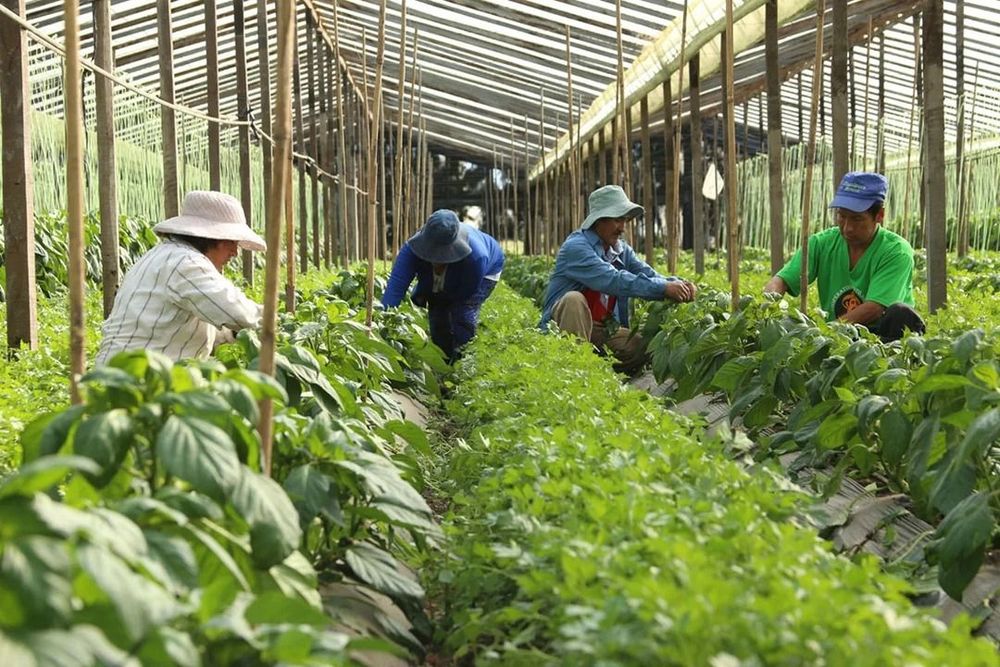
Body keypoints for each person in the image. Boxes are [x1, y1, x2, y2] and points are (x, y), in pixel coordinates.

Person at [539, 184, 697, 374]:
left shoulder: (620, 250)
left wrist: (679, 283)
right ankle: (573, 371)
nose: (622, 227)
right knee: (574, 299)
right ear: (598, 220)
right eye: (616, 219)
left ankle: (599, 371)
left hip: (600, 328)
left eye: (624, 220)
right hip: (564, 327)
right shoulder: (576, 247)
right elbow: (614, 280)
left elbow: (650, 275)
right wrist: (664, 288)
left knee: (642, 347)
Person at [95, 190, 265, 365]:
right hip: (135, 381)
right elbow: (239, 314)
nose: (235, 252)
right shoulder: (187, 263)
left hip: (122, 372)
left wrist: (234, 335)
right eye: (232, 241)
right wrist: (276, 322)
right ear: (212, 237)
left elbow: (191, 327)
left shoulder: (165, 255)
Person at [764, 171, 925, 342]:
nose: (847, 228)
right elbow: (781, 281)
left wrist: (825, 332)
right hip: (841, 335)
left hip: (882, 336)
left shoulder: (895, 251)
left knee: (900, 313)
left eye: (857, 219)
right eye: (841, 216)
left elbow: (874, 308)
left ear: (879, 216)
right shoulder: (821, 243)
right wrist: (767, 306)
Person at [382, 209, 504, 363]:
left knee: (463, 314)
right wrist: (382, 319)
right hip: (461, 270)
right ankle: (443, 361)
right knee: (437, 313)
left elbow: (463, 295)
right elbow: (396, 285)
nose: (438, 258)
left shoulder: (476, 258)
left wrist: (443, 299)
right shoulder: (411, 250)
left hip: (487, 272)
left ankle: (462, 362)